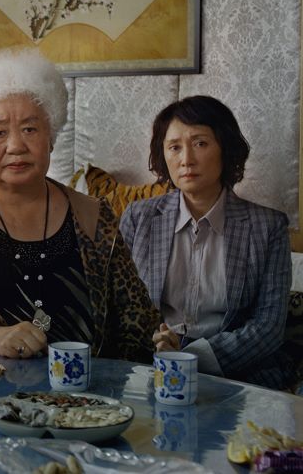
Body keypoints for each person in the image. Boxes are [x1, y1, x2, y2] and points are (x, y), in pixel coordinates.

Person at [0, 48, 157, 362]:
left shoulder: (95, 216)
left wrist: (158, 341)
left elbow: (134, 313)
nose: (15, 146)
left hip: (88, 400)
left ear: (51, 137)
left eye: (30, 129)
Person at [120, 96, 292, 389]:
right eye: (174, 147)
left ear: (225, 149)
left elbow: (268, 327)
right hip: (149, 367)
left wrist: (190, 357)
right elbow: (118, 306)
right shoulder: (139, 217)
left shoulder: (268, 227)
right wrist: (157, 344)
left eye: (200, 143)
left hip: (235, 374)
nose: (186, 159)